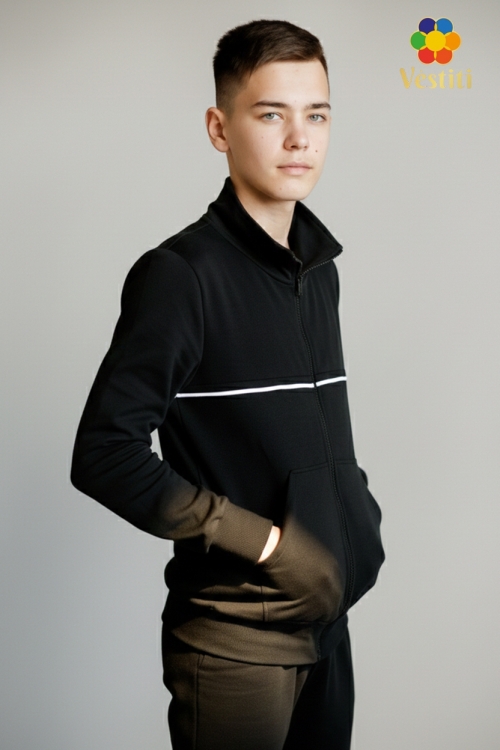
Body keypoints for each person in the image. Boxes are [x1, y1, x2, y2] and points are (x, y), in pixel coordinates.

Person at [70, 18, 385, 750]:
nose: (299, 138)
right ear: (220, 128)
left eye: (317, 116)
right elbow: (103, 453)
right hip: (236, 644)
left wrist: (354, 517)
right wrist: (271, 544)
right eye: (271, 115)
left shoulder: (320, 271)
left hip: (328, 630)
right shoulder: (181, 276)